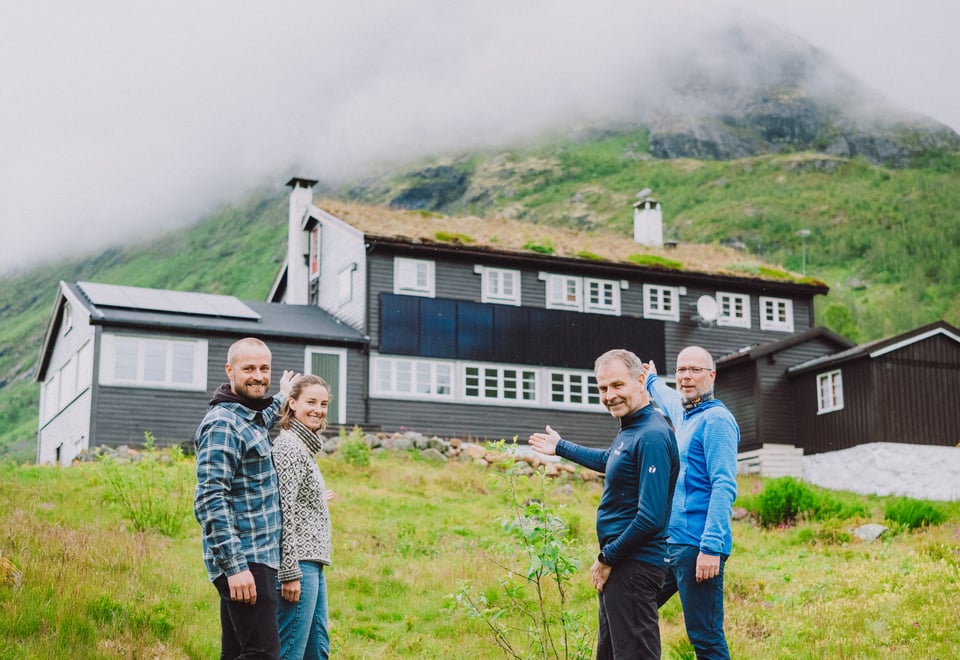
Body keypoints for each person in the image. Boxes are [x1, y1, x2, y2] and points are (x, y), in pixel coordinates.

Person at [529, 348, 679, 660]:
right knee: (610, 654)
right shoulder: (632, 430)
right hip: (623, 564)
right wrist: (561, 447)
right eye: (602, 388)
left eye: (617, 385)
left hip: (635, 565)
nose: (609, 395)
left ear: (641, 380)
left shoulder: (652, 434)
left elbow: (650, 518)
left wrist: (606, 558)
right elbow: (611, 460)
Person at [194, 337, 297, 659]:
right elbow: (210, 498)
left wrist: (283, 391)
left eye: (264, 368)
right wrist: (236, 567)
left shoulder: (246, 416)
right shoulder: (223, 424)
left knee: (238, 652)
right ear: (230, 370)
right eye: (248, 368)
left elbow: (264, 415)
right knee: (262, 653)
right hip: (246, 559)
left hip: (258, 557)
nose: (258, 376)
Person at [644, 346, 740, 660]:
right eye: (681, 369)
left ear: (711, 376)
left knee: (706, 638)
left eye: (695, 370)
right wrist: (651, 382)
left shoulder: (716, 421)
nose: (686, 376)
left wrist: (711, 547)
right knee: (633, 604)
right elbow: (670, 398)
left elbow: (724, 485)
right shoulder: (687, 414)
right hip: (671, 544)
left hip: (698, 546)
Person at [273, 375, 336, 660]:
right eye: (311, 402)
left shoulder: (304, 448)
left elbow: (294, 500)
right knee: (290, 654)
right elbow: (282, 511)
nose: (318, 410)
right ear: (293, 403)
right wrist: (289, 572)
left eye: (323, 404)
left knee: (317, 651)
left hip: (313, 563)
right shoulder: (289, 447)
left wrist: (316, 500)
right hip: (298, 565)